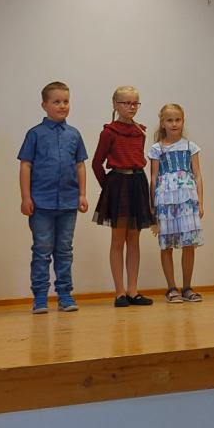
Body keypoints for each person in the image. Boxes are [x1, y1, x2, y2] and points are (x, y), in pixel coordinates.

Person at [19, 81, 89, 313]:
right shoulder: (35, 134)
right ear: (44, 105)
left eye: (66, 101)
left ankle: (65, 295)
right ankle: (40, 297)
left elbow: (80, 165)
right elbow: (26, 165)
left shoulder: (74, 134)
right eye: (56, 102)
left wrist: (82, 194)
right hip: (41, 203)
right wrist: (26, 197)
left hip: (68, 202)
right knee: (42, 249)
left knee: (65, 250)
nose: (62, 106)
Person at [92, 85, 155, 307]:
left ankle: (133, 290)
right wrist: (109, 188)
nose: (132, 107)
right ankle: (119, 292)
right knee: (118, 240)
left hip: (137, 183)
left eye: (135, 103)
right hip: (118, 185)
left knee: (134, 240)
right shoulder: (109, 132)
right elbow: (96, 163)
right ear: (115, 104)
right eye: (126, 103)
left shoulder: (141, 131)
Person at [148, 103, 205, 303]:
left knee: (189, 244)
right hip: (165, 201)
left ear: (183, 121)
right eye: (169, 120)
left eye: (177, 120)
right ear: (162, 123)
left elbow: (198, 175)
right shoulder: (156, 149)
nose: (174, 124)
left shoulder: (190, 146)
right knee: (167, 245)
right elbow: (153, 178)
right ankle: (171, 288)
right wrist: (152, 206)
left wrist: (201, 202)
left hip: (187, 201)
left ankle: (187, 287)